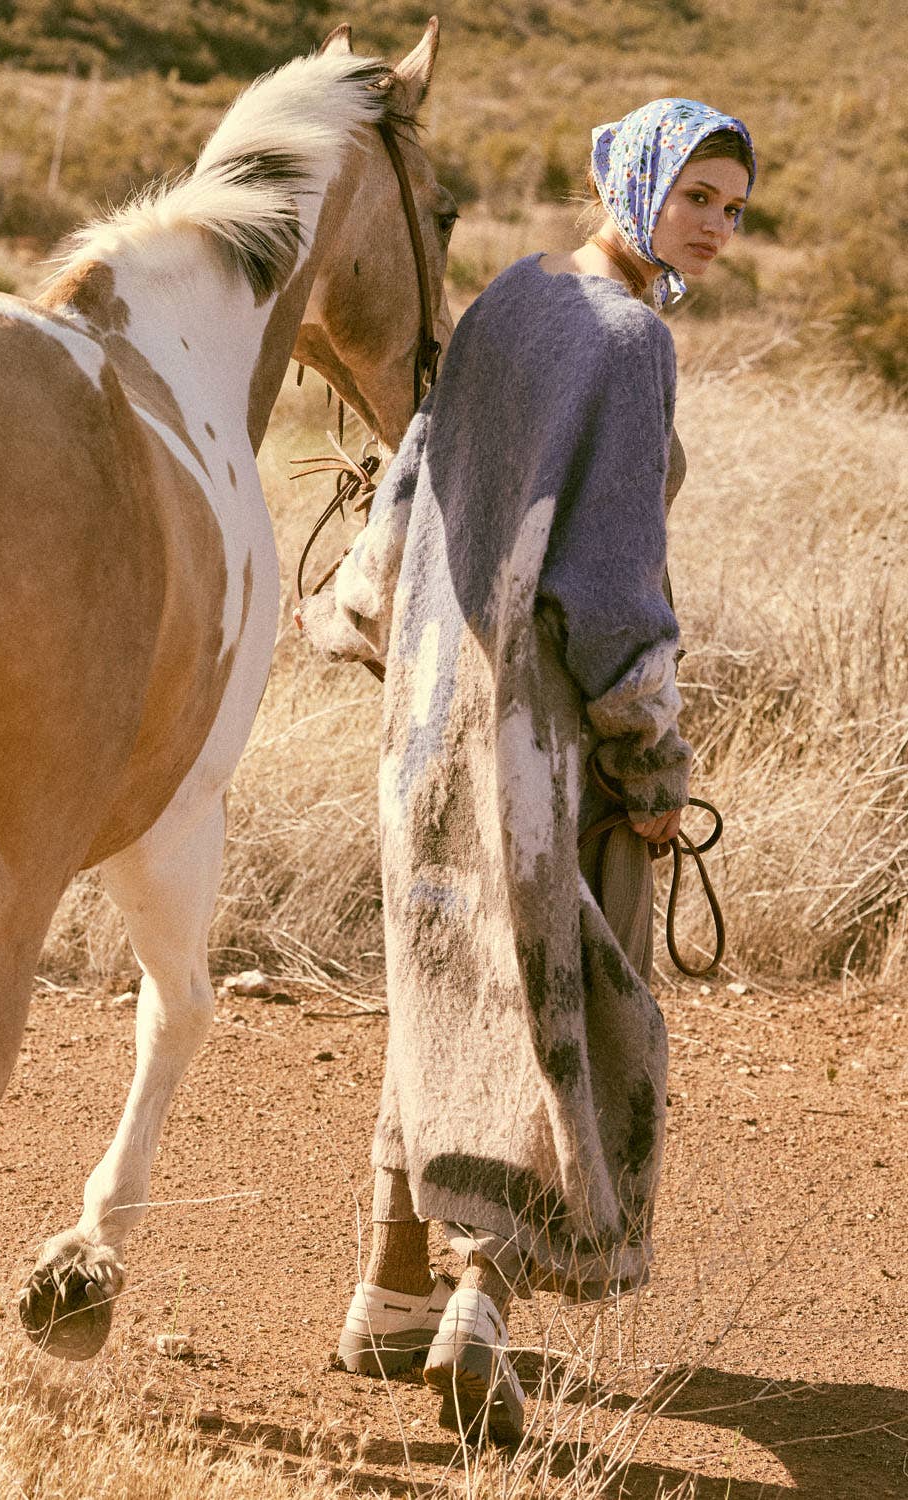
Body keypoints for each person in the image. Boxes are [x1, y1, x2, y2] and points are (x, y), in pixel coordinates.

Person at [297, 98, 756, 1443]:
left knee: (442, 983)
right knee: (562, 1013)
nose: (717, 229)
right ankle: (480, 1311)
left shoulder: (509, 297)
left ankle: (387, 1295)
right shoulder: (631, 340)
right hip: (544, 746)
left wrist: (369, 621)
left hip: (429, 717)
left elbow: (411, 482)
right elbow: (610, 591)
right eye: (697, 197)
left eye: (735, 209)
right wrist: (652, 760)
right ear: (634, 184)